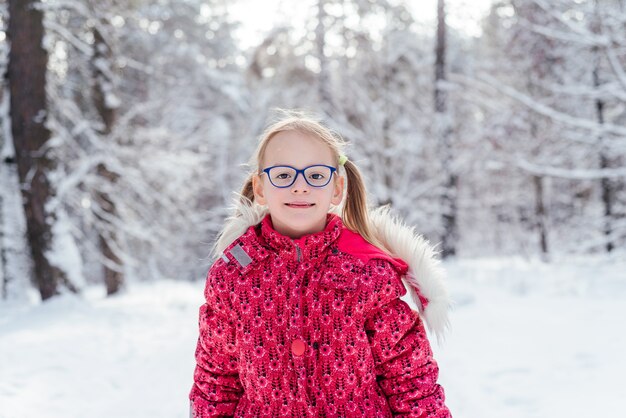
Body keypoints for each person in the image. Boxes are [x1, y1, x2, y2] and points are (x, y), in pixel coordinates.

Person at [189, 110, 452, 417]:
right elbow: (216, 379)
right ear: (260, 189)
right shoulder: (233, 276)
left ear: (337, 188)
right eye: (284, 175)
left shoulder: (367, 273)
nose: (300, 187)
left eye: (315, 175)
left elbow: (409, 376)